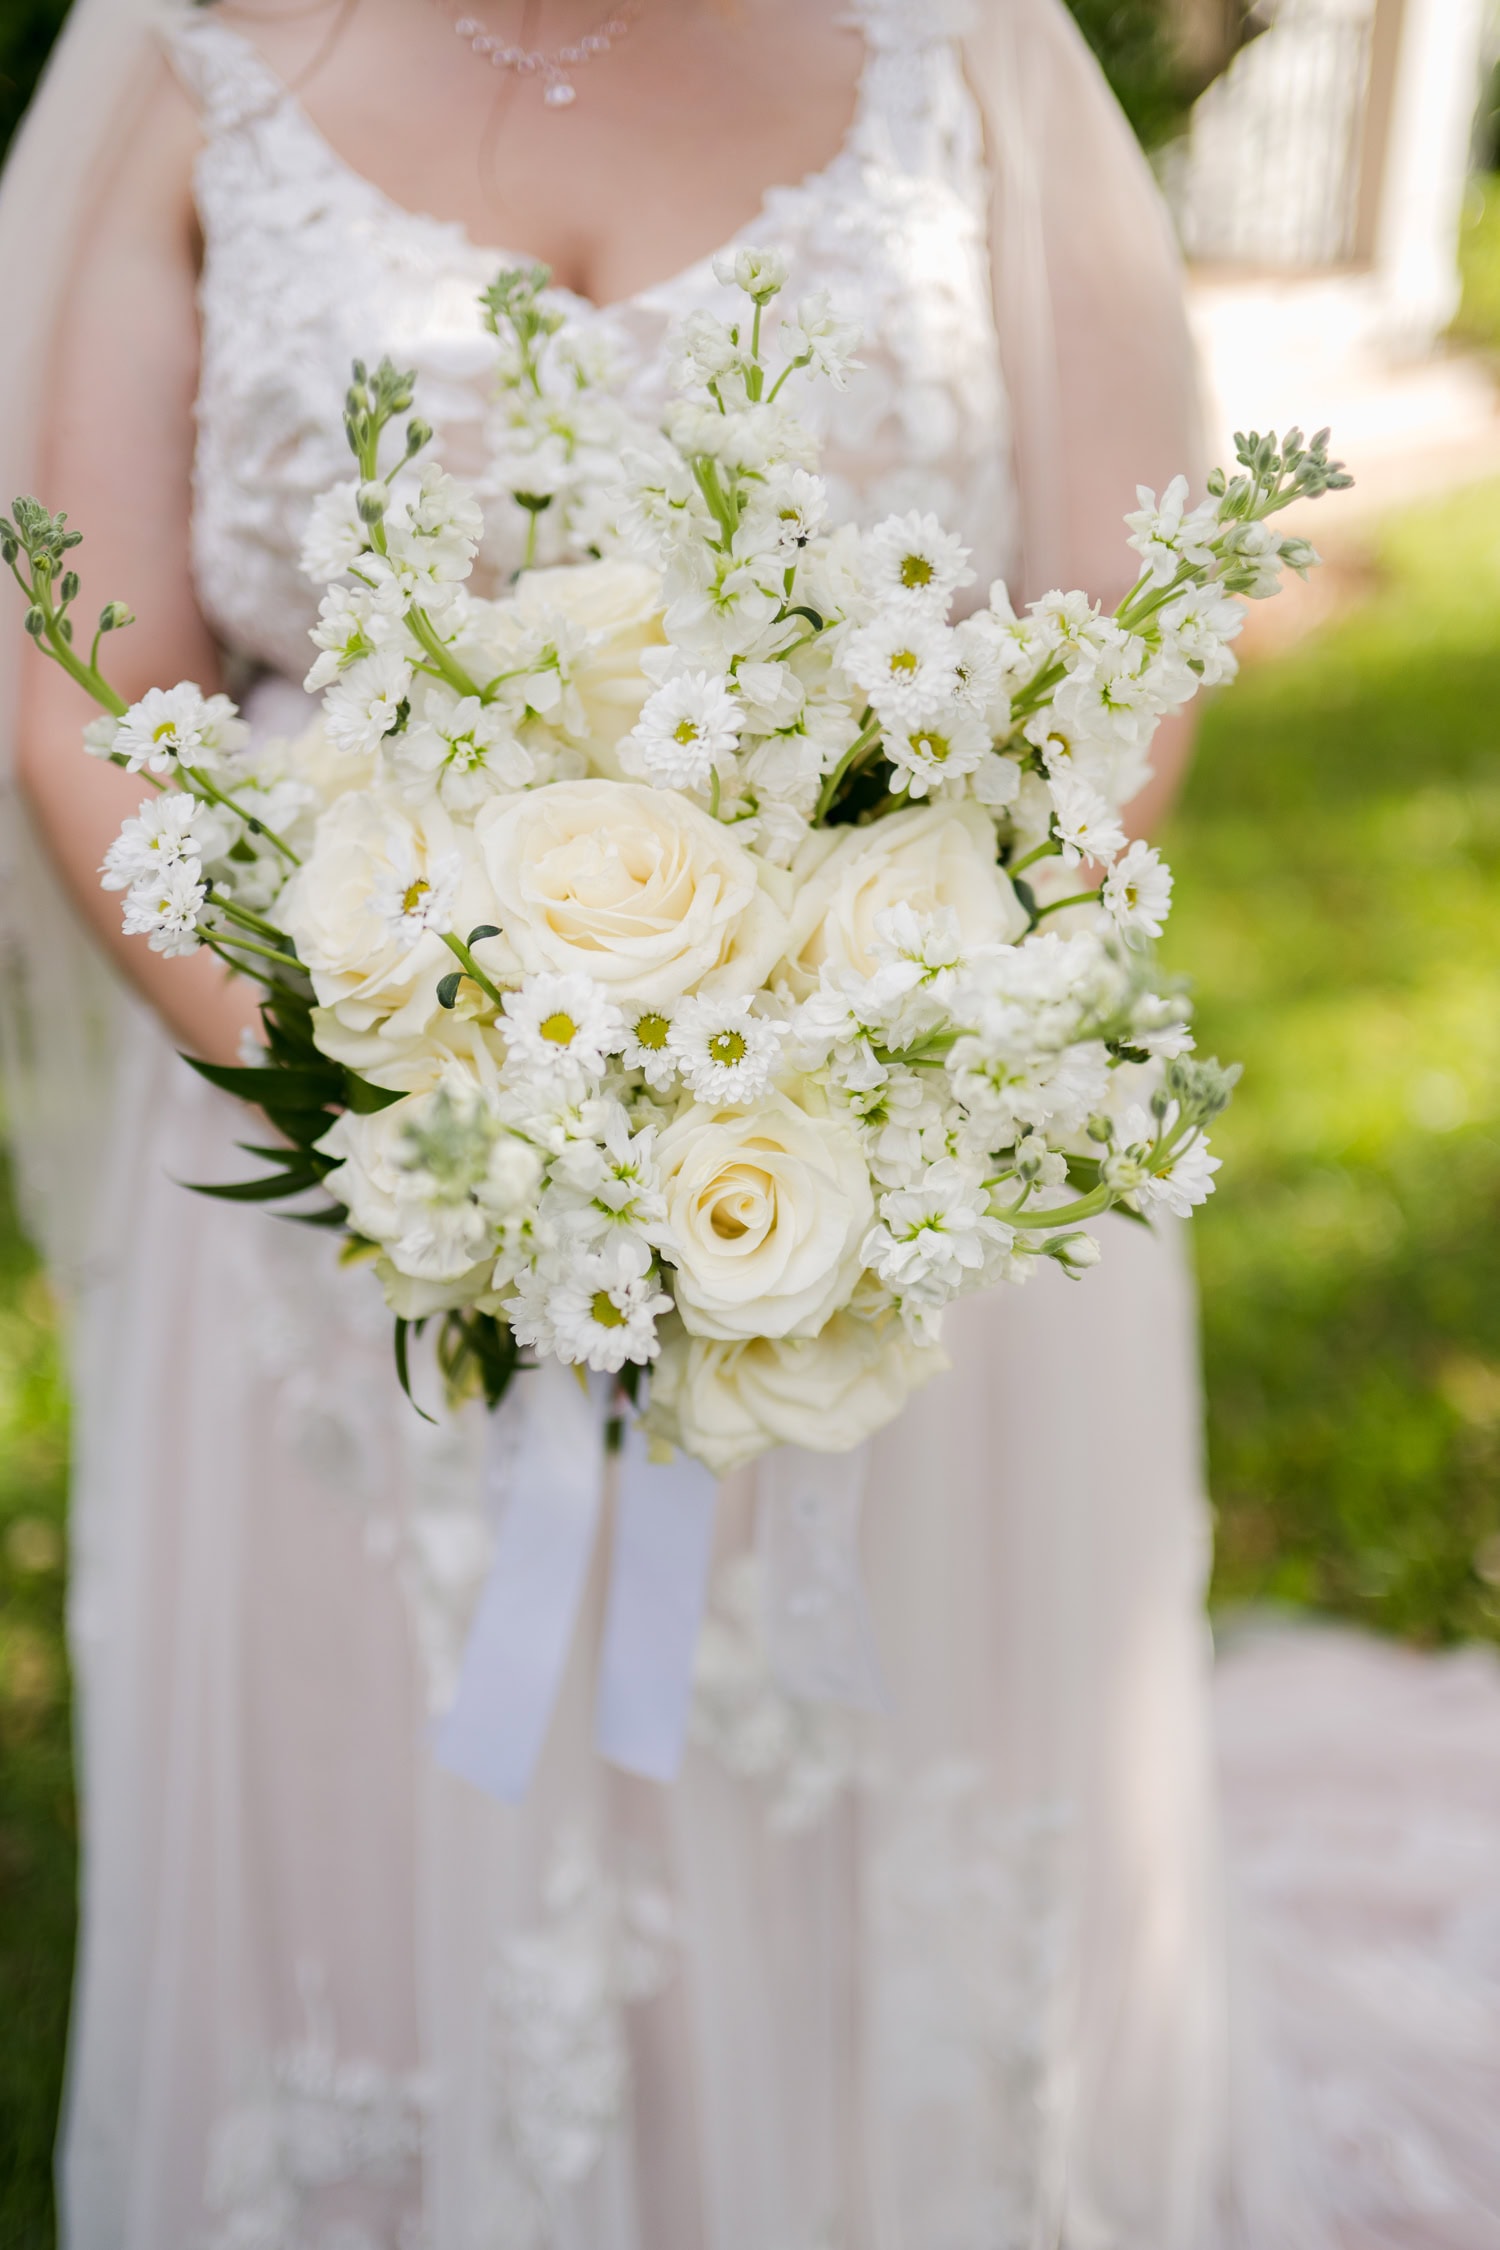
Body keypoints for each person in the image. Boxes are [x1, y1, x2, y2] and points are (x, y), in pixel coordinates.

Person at [0, 1, 1344, 2242]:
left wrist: (871, 1055)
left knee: (874, 1842)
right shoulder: (185, 52)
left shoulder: (971, 49)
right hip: (345, 1210)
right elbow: (89, 692)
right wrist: (412, 1128)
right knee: (391, 1848)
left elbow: (1133, 624)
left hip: (891, 1157)